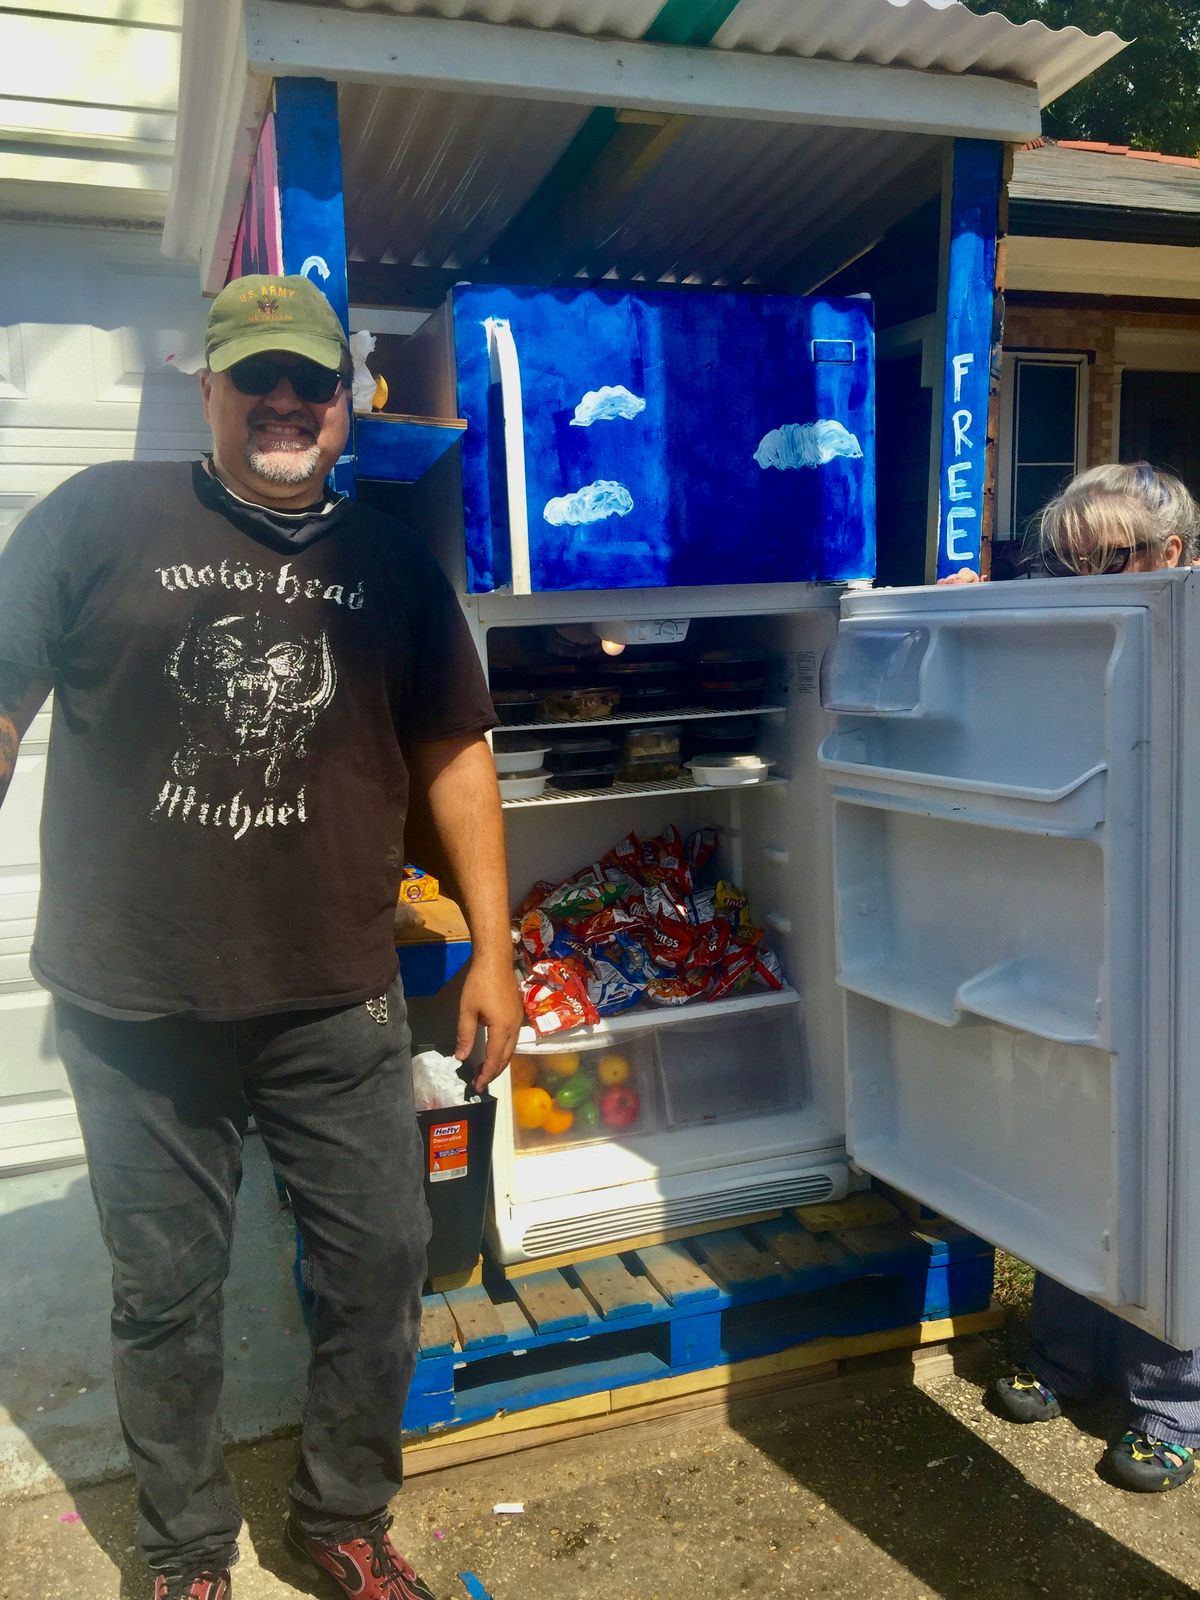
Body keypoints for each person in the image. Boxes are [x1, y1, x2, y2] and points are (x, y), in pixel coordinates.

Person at [0, 274, 523, 1600]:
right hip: (133, 1000)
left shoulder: (392, 566)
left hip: (335, 997)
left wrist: (495, 948)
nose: (285, 402)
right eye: (258, 378)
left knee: (381, 1263)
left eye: (311, 381)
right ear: (211, 390)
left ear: (345, 402)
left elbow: (455, 754)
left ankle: (342, 1518)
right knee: (165, 1293)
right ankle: (186, 1553)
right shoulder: (95, 518)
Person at [943, 460, 1200, 1492]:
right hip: (1075, 916)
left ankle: (1170, 1399)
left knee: (1174, 1166)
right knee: (1071, 1138)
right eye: (1067, 559)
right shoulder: (1070, 625)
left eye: (1112, 557)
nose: (1086, 577)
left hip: (1179, 937)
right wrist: (963, 623)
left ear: (1173, 553)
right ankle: (1065, 1351)